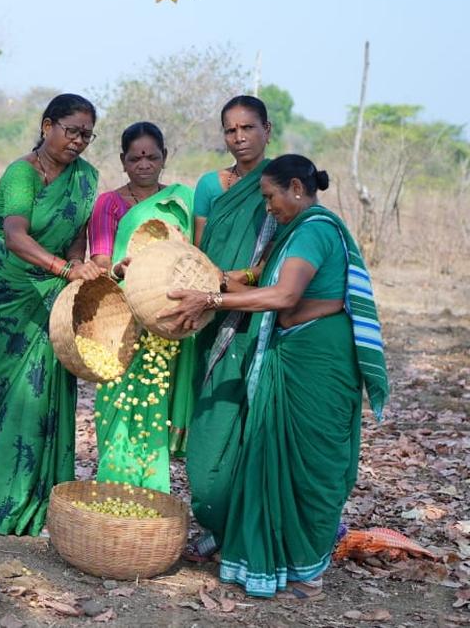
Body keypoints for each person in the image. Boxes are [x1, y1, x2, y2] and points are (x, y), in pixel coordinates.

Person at [161, 154, 388, 599]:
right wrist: (211, 283)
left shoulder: (316, 230)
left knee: (311, 463)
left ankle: (307, 570)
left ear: (297, 190)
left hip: (318, 362)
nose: (267, 208)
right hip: (292, 356)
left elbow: (285, 295)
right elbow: (265, 290)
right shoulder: (294, 232)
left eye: (270, 197)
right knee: (274, 455)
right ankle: (279, 559)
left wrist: (211, 300)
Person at [0, 94, 104, 536]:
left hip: (52, 298)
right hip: (9, 295)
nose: (79, 141)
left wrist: (75, 276)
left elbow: (74, 240)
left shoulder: (85, 179)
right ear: (48, 126)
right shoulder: (21, 174)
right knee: (10, 397)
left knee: (47, 395)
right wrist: (65, 270)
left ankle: (41, 504)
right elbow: (15, 236)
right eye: (72, 131)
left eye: (87, 134)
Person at [184, 95, 275, 559]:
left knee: (253, 427)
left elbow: (275, 265)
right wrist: (213, 288)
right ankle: (216, 517)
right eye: (230, 130)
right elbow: (200, 254)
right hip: (210, 317)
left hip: (260, 321)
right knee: (211, 428)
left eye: (248, 128)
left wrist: (234, 282)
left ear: (267, 130)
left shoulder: (280, 183)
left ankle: (246, 529)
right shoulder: (210, 185)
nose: (239, 138)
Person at [87, 122, 194, 492]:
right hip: (120, 319)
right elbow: (100, 264)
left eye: (152, 156)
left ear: (165, 157)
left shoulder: (182, 202)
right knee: (118, 406)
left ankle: (151, 495)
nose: (144, 163)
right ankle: (115, 491)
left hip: (165, 322)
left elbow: (193, 257)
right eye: (135, 157)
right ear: (123, 160)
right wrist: (118, 269)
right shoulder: (109, 204)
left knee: (153, 408)